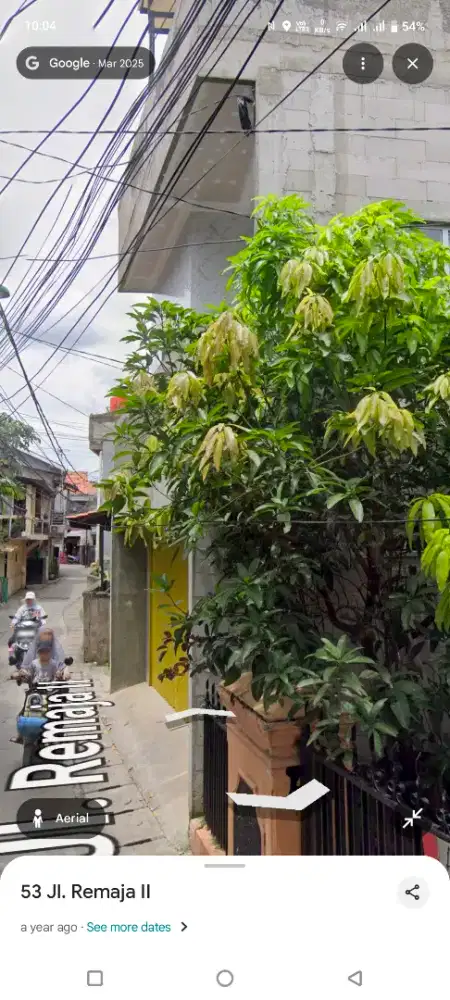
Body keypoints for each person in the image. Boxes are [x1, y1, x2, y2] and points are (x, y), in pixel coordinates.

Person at [10, 627, 70, 744]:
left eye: (49, 634)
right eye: (44, 634)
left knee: (57, 714)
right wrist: (19, 675)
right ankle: (20, 735)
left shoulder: (54, 660)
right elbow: (26, 670)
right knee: (23, 713)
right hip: (36, 691)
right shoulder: (34, 661)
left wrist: (64, 673)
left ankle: (57, 741)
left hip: (52, 692)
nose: (44, 653)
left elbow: (62, 667)